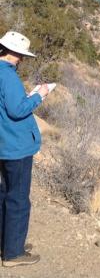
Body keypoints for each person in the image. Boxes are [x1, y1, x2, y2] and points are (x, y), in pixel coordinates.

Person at [0, 31, 49, 267]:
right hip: (14, 146)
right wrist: (39, 96)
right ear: (17, 54)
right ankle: (13, 253)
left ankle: (7, 243)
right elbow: (17, 110)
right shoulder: (7, 76)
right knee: (18, 198)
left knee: (3, 195)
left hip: (2, 143)